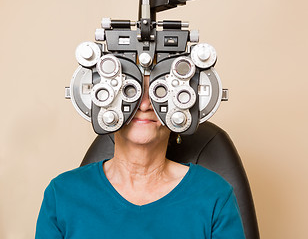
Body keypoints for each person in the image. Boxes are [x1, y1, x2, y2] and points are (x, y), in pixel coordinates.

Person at [35, 75, 246, 238]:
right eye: (131, 90)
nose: (144, 105)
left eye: (159, 91)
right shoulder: (62, 194)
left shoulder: (214, 195)